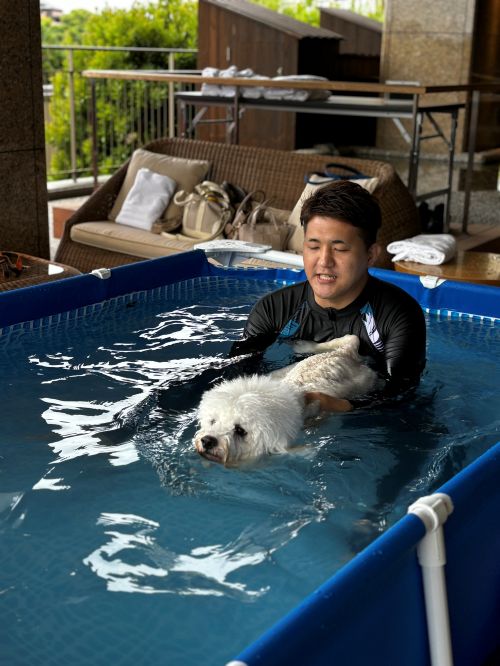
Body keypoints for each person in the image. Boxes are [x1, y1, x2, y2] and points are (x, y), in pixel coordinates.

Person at [229, 179, 426, 411]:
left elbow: (400, 395)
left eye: (339, 249)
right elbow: (236, 376)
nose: (324, 261)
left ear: (371, 255)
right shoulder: (274, 309)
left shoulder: (398, 316)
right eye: (313, 247)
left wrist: (340, 406)